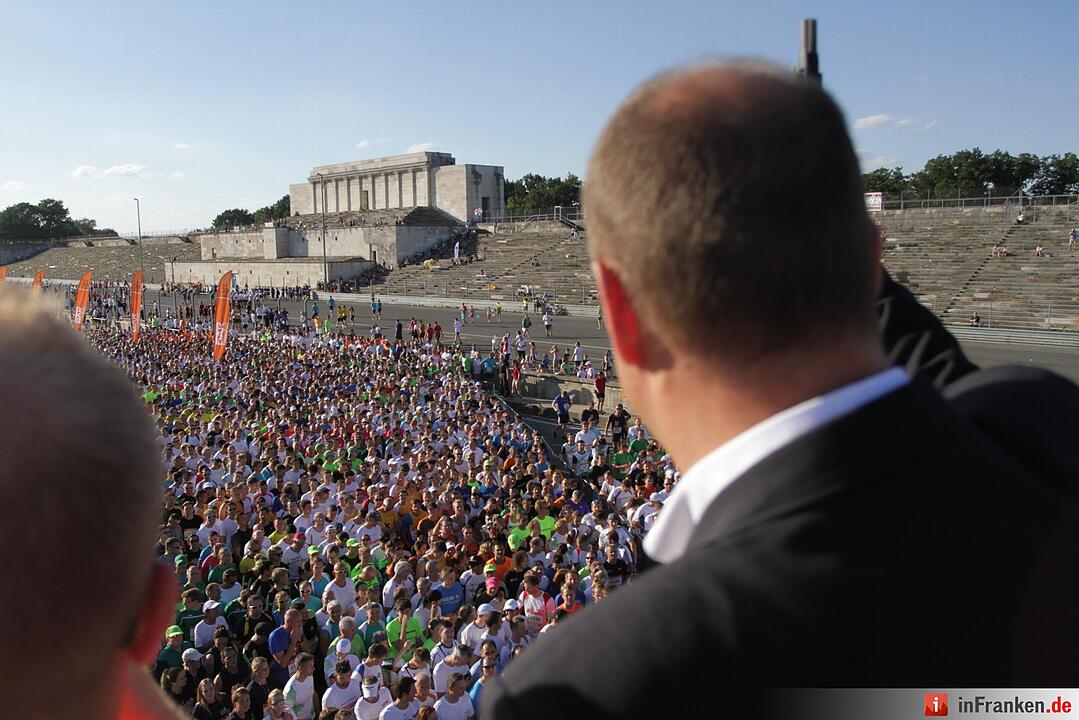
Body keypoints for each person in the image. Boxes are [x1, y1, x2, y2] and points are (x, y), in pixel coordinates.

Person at [481, 61, 1079, 719]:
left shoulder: (593, 685)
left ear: (623, 314)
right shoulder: (1041, 426)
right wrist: (814, 209)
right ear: (872, 259)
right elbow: (946, 376)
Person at [283, 652, 319, 720]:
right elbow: (286, 714)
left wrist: (318, 715)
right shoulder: (290, 690)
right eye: (310, 666)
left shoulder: (309, 676)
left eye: (313, 665)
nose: (313, 668)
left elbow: (313, 694)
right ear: (300, 668)